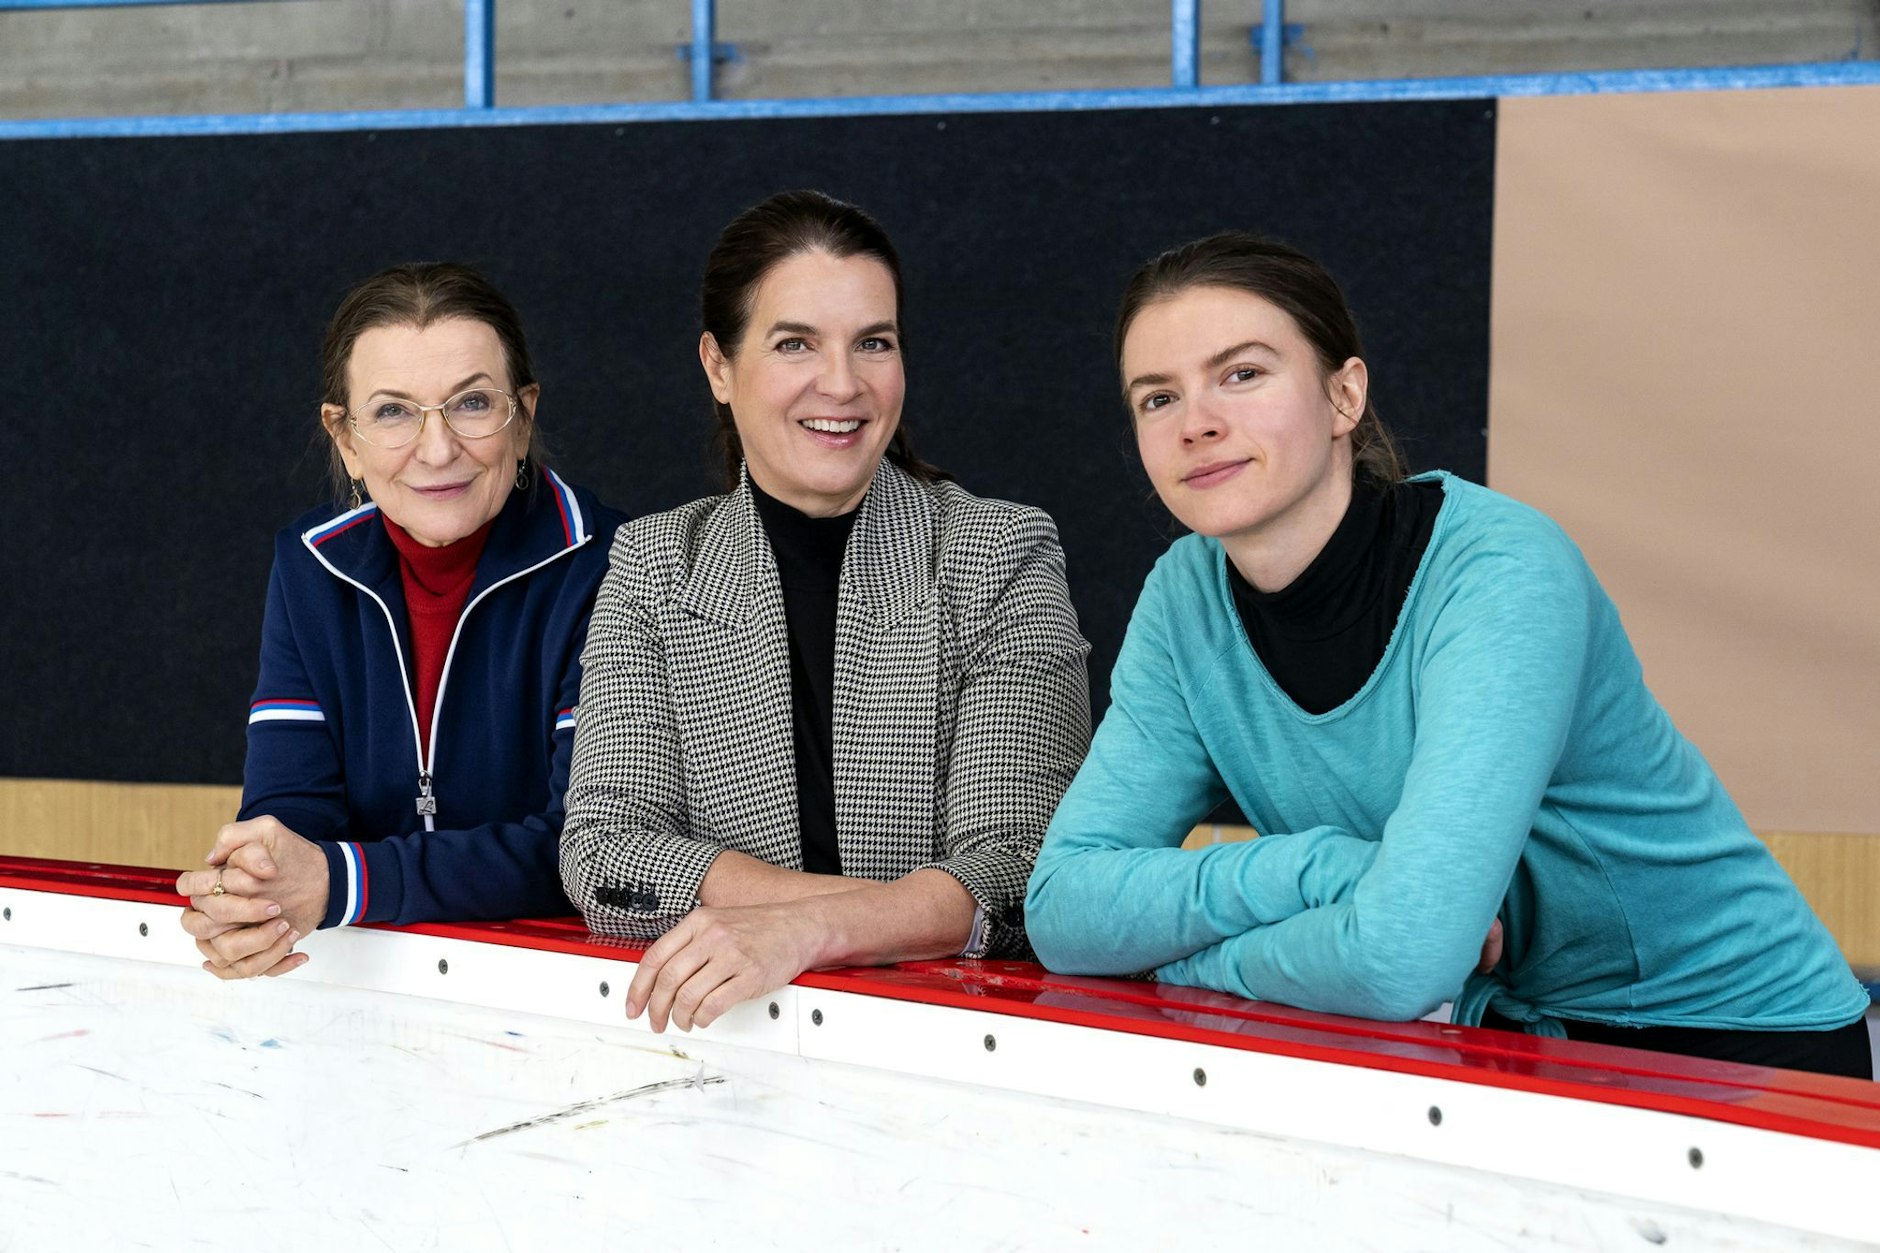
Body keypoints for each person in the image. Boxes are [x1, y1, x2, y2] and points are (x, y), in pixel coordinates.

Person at [1024, 232, 1872, 1078]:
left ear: (1343, 395)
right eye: (1157, 398)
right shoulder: (1184, 598)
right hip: (1489, 1039)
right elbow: (1064, 910)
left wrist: (1180, 967)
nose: (1199, 423)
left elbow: (1401, 956)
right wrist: (1325, 869)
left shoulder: (1500, 569)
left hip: (1733, 1049)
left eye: (1242, 374)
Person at [560, 190, 1091, 1033]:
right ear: (718, 365)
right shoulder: (655, 564)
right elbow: (605, 855)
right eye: (795, 343)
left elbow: (1022, 871)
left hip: (962, 1053)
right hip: (723, 1064)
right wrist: (903, 908)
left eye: (873, 343)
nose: (842, 384)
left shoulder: (999, 553)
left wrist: (808, 928)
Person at [174, 263, 626, 978]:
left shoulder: (619, 565)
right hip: (377, 989)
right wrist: (254, 894)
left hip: (567, 989)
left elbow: (585, 850)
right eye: (392, 411)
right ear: (345, 437)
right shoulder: (310, 564)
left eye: (472, 403)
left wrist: (339, 883)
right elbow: (292, 814)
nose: (438, 448)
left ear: (524, 414)